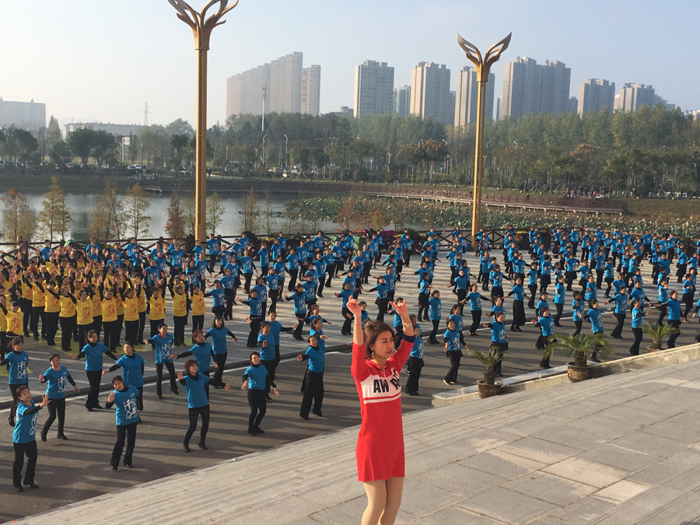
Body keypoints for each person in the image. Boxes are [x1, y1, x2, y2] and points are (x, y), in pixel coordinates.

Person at [347, 296, 415, 525]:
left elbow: (409, 340)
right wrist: (357, 317)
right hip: (372, 446)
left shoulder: (394, 366)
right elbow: (357, 349)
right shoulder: (363, 371)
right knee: (377, 504)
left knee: (394, 504)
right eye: (384, 341)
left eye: (390, 340)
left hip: (395, 445)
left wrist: (404, 315)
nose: (390, 345)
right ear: (372, 345)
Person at [178, 359, 231, 453]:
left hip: (204, 404)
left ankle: (202, 442)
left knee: (205, 424)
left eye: (196, 365)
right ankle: (186, 444)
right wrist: (181, 379)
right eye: (192, 366)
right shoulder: (187, 379)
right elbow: (183, 383)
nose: (195, 367)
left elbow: (211, 381)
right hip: (193, 406)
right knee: (192, 427)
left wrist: (223, 384)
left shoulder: (201, 376)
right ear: (188, 368)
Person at [12, 386, 49, 492]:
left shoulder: (31, 402)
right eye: (24, 394)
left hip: (30, 436)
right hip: (20, 438)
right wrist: (41, 406)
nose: (27, 394)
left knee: (33, 458)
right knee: (19, 461)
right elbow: (29, 412)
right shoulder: (21, 406)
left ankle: (29, 479)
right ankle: (16, 483)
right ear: (20, 397)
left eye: (28, 392)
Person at [70, 330, 117, 411]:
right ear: (89, 338)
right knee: (93, 387)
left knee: (96, 387)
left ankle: (95, 403)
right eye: (93, 337)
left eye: (96, 337)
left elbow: (108, 352)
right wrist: (77, 358)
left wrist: (116, 359)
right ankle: (89, 404)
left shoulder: (100, 345)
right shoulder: (87, 347)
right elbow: (82, 354)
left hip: (99, 368)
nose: (95, 338)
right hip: (90, 369)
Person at [39, 353, 79, 441]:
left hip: (61, 396)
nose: (55, 362)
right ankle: (44, 432)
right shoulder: (49, 371)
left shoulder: (63, 368)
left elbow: (68, 376)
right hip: (51, 396)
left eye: (57, 360)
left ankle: (60, 433)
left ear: (59, 360)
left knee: (61, 416)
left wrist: (74, 385)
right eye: (53, 361)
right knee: (52, 416)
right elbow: (45, 378)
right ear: (50, 362)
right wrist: (42, 379)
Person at [105, 375, 140, 470]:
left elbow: (137, 396)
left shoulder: (131, 389)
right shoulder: (115, 394)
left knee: (131, 441)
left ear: (123, 382)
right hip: (122, 420)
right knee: (120, 442)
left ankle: (128, 461)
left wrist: (138, 407)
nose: (117, 386)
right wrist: (109, 401)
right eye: (115, 384)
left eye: (119, 383)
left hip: (133, 419)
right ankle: (114, 462)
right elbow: (107, 406)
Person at [241, 351, 278, 435]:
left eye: (257, 357)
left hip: (261, 392)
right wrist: (245, 382)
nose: (256, 359)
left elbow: (268, 378)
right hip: (253, 392)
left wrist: (274, 387)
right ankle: (250, 428)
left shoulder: (263, 367)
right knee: (254, 411)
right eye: (254, 358)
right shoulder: (250, 369)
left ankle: (255, 426)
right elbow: (244, 376)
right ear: (251, 360)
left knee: (263, 411)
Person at [103, 342, 146, 411]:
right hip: (129, 382)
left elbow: (142, 366)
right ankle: (135, 415)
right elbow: (116, 366)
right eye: (125, 347)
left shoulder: (138, 356)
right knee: (131, 400)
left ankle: (139, 410)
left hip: (138, 381)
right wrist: (108, 370)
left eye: (128, 347)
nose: (126, 349)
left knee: (139, 399)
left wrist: (141, 375)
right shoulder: (123, 359)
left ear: (132, 348)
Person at [204, 316, 238, 389]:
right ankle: (215, 382)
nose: (219, 322)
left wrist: (234, 337)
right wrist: (202, 341)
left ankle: (219, 381)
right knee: (219, 368)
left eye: (220, 320)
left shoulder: (224, 329)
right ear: (215, 321)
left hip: (224, 351)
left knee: (221, 368)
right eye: (218, 320)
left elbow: (230, 333)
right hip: (216, 351)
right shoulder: (212, 330)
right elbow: (206, 336)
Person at [297, 333, 325, 420]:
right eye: (312, 341)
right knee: (308, 394)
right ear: (309, 343)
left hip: (320, 372)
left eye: (315, 340)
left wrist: (319, 337)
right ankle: (304, 413)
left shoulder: (319, 346)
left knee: (319, 392)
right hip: (312, 374)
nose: (314, 342)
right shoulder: (310, 351)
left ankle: (316, 410)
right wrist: (301, 358)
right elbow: (305, 356)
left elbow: (316, 334)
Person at [147, 323, 179, 399]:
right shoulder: (157, 337)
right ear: (159, 330)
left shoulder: (170, 336)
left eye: (166, 328)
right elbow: (151, 340)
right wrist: (148, 341)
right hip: (159, 359)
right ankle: (159, 393)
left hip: (168, 358)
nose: (165, 330)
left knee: (172, 373)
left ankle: (173, 388)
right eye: (163, 329)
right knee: (159, 377)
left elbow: (171, 343)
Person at [404, 315, 423, 396]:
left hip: (419, 358)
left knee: (417, 375)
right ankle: (409, 389)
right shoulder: (412, 339)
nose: (417, 332)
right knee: (412, 375)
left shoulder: (419, 338)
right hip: (414, 358)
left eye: (418, 330)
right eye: (416, 331)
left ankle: (415, 389)